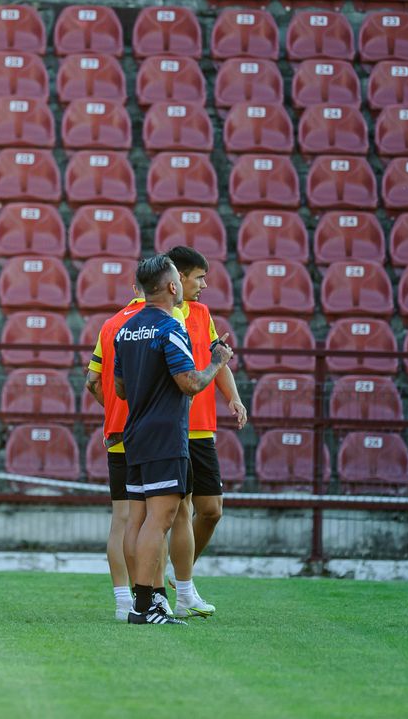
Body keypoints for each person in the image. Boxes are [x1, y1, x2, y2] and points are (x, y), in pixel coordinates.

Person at [113, 255, 231, 626]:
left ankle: (142, 602)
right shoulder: (170, 328)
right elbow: (190, 383)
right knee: (159, 520)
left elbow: (118, 386)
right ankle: (147, 605)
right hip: (165, 436)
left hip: (135, 434)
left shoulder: (125, 329)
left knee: (136, 519)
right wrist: (217, 361)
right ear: (171, 286)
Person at [164, 246, 247, 617]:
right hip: (173, 427)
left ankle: (177, 572)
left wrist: (234, 398)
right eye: (199, 277)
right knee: (177, 511)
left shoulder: (202, 313)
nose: (205, 284)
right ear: (178, 278)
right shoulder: (163, 314)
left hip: (202, 429)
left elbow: (218, 356)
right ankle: (182, 588)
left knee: (211, 510)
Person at [84, 286, 150, 620]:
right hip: (153, 436)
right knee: (158, 519)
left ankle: (123, 601)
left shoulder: (110, 324)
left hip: (118, 433)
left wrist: (112, 410)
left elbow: (92, 380)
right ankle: (151, 599)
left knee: (121, 520)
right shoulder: (165, 318)